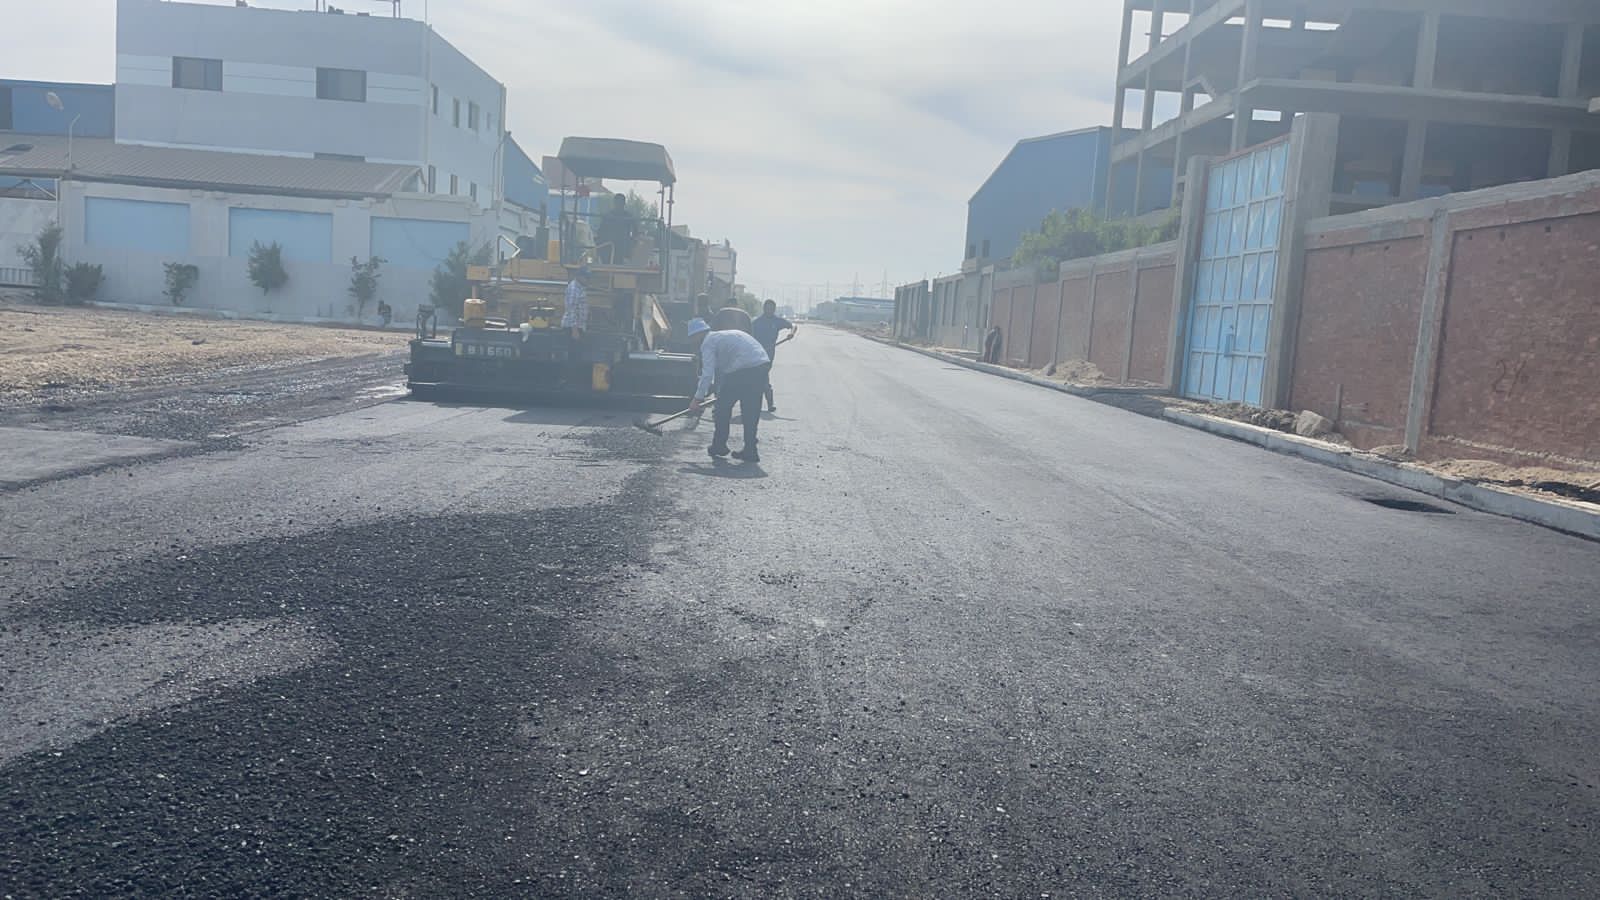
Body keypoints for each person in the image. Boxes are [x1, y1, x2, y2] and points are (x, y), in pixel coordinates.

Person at [687, 318, 771, 463]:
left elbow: (707, 374)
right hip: (761, 365)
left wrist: (697, 399)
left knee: (722, 408)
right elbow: (721, 370)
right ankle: (750, 450)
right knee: (751, 410)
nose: (692, 342)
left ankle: (719, 445)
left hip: (743, 369)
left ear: (697, 335)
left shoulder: (707, 343)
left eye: (692, 338)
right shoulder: (723, 336)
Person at [751, 300, 797, 412]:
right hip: (756, 352)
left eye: (772, 308)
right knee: (758, 377)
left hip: (769, 354)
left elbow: (793, 325)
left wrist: (792, 333)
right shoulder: (756, 322)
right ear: (764, 308)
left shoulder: (777, 321)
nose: (769, 310)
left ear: (774, 309)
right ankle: (761, 403)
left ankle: (768, 403)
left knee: (763, 376)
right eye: (768, 308)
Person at [562, 266, 591, 385]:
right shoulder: (574, 288)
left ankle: (573, 380)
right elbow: (571, 309)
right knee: (574, 356)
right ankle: (571, 381)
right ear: (579, 276)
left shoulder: (580, 288)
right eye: (585, 277)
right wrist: (575, 330)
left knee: (577, 355)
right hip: (572, 328)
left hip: (578, 327)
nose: (587, 280)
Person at [596, 193, 635, 265]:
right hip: (609, 248)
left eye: (620, 203)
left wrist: (631, 246)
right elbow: (601, 233)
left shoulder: (628, 217)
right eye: (617, 202)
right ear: (614, 203)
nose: (619, 205)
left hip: (623, 249)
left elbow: (635, 233)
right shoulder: (608, 216)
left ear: (624, 204)